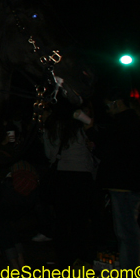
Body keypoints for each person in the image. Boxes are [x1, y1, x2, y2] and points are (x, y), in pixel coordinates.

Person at [87, 92, 140, 278]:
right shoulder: (133, 122)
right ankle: (131, 270)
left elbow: (110, 152)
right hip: (129, 183)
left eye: (109, 105)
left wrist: (92, 134)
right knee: (128, 230)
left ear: (116, 103)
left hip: (123, 184)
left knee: (126, 231)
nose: (108, 110)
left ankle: (133, 274)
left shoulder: (123, 124)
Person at [43, 105, 98, 268]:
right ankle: (82, 257)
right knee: (80, 220)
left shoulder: (54, 127)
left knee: (62, 220)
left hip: (63, 175)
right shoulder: (83, 126)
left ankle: (64, 259)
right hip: (82, 176)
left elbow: (49, 154)